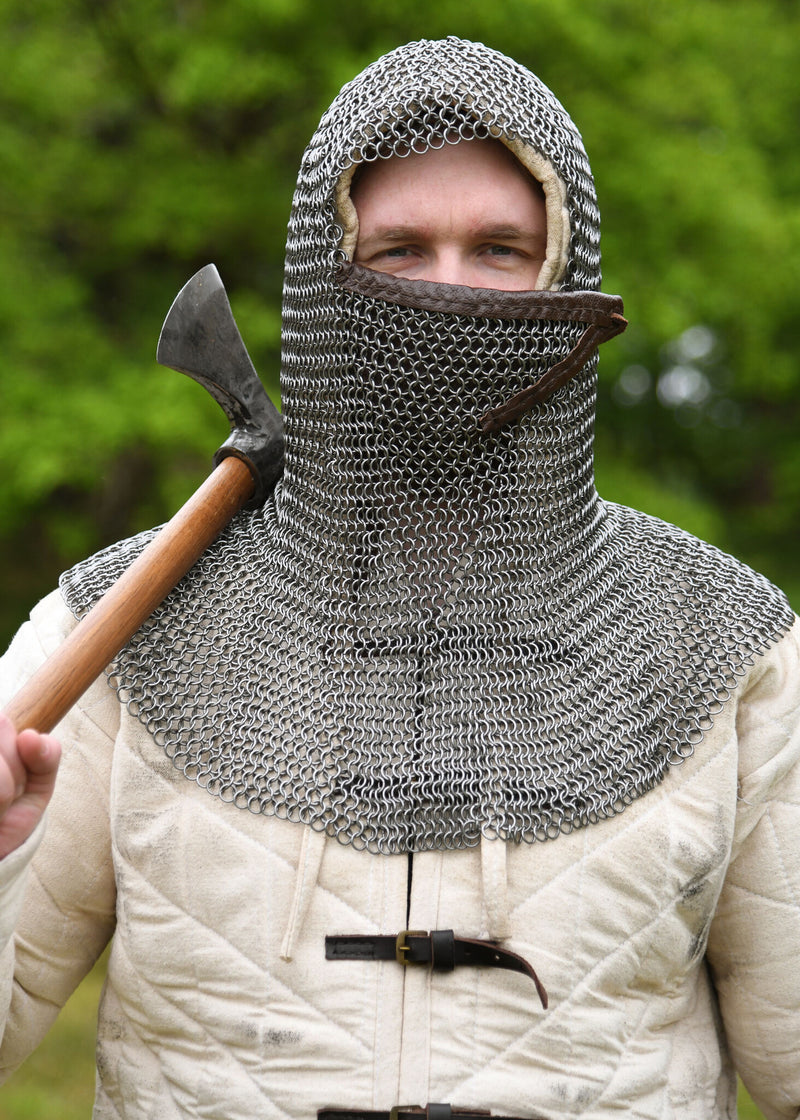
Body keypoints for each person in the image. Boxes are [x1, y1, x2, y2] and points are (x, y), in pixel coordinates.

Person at [1, 35, 799, 1120]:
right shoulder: (122, 631)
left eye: (500, 249)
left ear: (563, 272)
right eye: (399, 251)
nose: (449, 293)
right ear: (329, 277)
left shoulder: (716, 644)